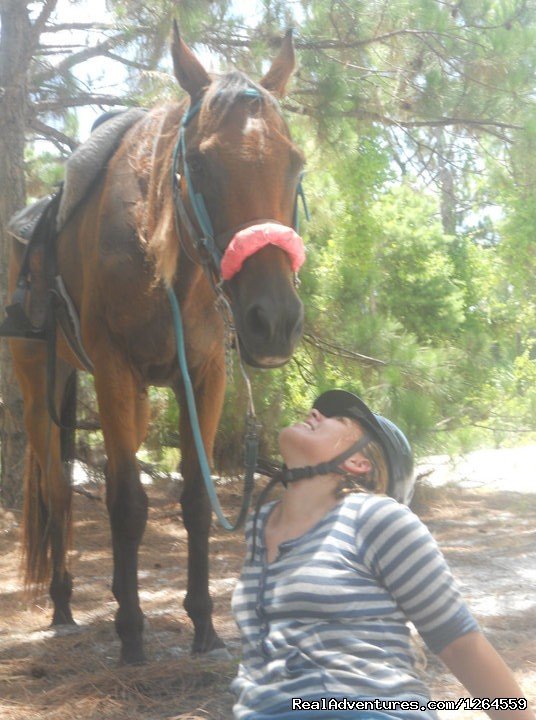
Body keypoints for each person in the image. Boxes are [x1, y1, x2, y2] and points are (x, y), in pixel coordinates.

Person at [231, 390, 534, 720]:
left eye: (338, 420)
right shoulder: (259, 526)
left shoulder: (376, 518)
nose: (315, 412)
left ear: (358, 463)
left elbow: (460, 644)